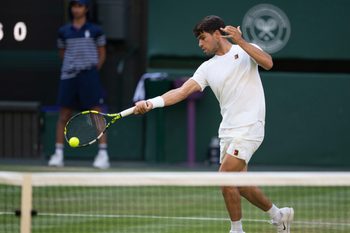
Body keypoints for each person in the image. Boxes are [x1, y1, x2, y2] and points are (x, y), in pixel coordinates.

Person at [134, 15, 294, 233]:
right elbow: (181, 92)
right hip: (227, 131)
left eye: (203, 38)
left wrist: (242, 42)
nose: (200, 44)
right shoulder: (207, 68)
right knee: (239, 185)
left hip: (250, 126)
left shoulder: (245, 51)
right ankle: (279, 215)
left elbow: (268, 63)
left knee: (224, 177)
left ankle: (236, 230)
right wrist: (151, 103)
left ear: (217, 34)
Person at [48, 0, 109, 169]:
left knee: (96, 114)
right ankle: (58, 154)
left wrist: (90, 71)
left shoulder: (96, 31)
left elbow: (101, 55)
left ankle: (103, 154)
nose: (76, 9)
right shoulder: (63, 32)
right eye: (74, 6)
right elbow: (63, 53)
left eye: (80, 6)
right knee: (64, 115)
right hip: (69, 77)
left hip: (89, 76)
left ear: (86, 9)